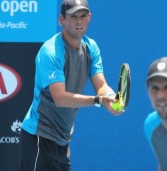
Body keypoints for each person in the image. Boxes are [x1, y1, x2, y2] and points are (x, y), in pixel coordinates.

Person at [19, 0, 123, 170]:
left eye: (83, 16)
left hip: (62, 141)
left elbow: (101, 85)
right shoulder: (51, 52)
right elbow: (60, 98)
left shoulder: (91, 48)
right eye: (73, 16)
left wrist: (110, 98)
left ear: (89, 17)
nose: (79, 21)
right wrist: (98, 100)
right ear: (62, 20)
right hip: (39, 138)